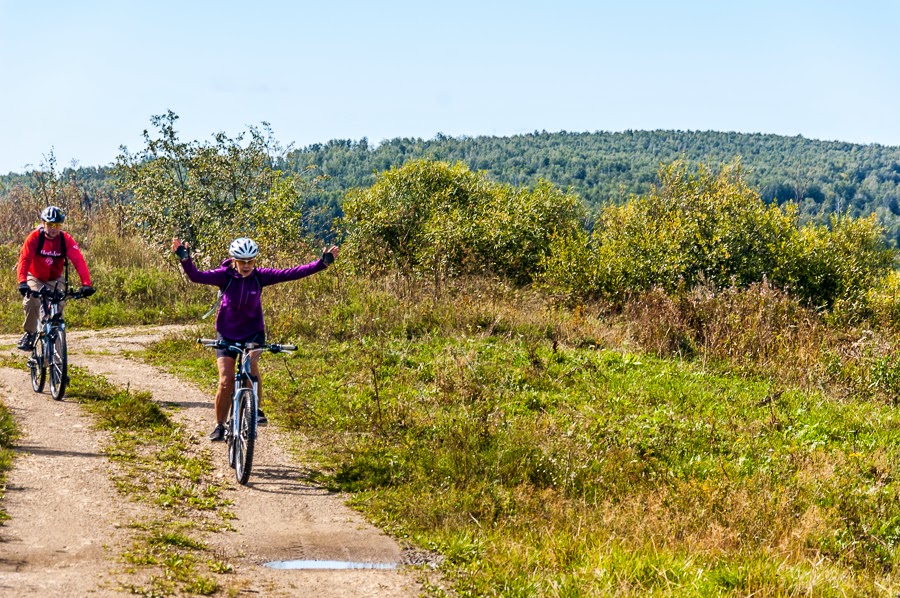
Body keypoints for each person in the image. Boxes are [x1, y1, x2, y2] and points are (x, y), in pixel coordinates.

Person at [172, 236, 338, 441]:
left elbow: (292, 273)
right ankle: (220, 425)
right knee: (226, 380)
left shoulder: (260, 276)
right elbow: (196, 276)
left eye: (251, 260)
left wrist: (321, 263)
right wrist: (185, 258)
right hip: (227, 332)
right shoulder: (224, 276)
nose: (247, 265)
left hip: (253, 332)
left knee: (250, 366)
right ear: (233, 260)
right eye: (242, 261)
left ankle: (255, 410)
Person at [16, 206, 95, 351]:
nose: (54, 228)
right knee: (31, 300)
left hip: (54, 279)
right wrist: (22, 282)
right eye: (50, 224)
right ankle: (30, 333)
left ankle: (57, 369)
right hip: (35, 277)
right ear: (43, 223)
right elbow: (24, 260)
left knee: (57, 316)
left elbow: (79, 261)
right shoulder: (34, 238)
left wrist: (86, 284)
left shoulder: (65, 240)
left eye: (57, 225)